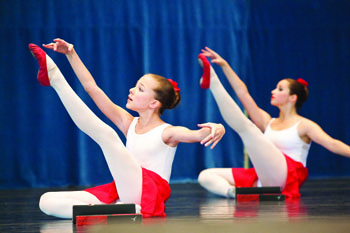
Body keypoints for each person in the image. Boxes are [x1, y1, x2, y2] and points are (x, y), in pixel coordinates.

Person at [28, 39, 225, 218]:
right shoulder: (128, 123)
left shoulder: (167, 132)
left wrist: (217, 127)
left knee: (107, 135)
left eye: (140, 89)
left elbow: (197, 134)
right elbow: (92, 88)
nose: (131, 90)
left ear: (154, 103)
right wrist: (71, 53)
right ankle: (118, 212)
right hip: (124, 191)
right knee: (46, 201)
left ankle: (55, 78)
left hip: (149, 192)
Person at [197, 47, 350, 199]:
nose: (273, 91)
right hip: (264, 178)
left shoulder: (304, 125)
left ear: (292, 98)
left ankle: (213, 83)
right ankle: (238, 193)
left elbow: (332, 144)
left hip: (287, 178)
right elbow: (243, 93)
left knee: (249, 128)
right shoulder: (268, 122)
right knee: (205, 175)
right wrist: (224, 65)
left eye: (280, 89)